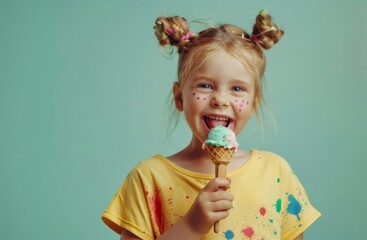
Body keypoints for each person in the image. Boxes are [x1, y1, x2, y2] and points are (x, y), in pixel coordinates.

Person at [102, 10, 321, 240]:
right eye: (205, 85)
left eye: (237, 89)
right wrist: (192, 226)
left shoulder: (276, 172)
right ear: (179, 97)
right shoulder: (147, 178)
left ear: (253, 103)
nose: (220, 99)